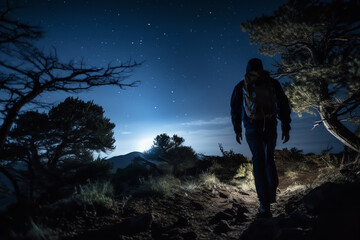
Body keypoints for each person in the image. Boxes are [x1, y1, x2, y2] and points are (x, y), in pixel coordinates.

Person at [231, 58, 291, 218]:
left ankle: (264, 205)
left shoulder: (241, 86)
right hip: (270, 125)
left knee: (258, 161)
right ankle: (271, 196)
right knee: (269, 159)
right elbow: (284, 105)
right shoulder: (272, 83)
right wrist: (286, 127)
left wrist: (237, 129)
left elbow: (235, 108)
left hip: (251, 127)